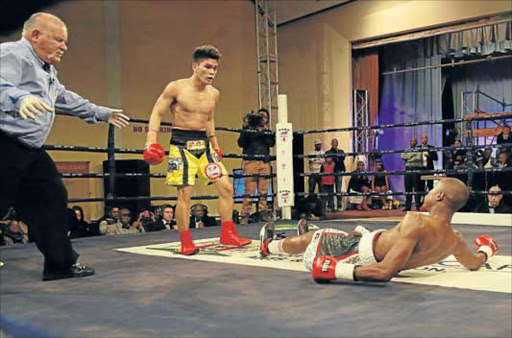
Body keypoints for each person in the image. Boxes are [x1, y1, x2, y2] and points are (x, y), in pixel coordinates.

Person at [0, 13, 130, 281]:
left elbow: (66, 99)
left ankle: (60, 264)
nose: (64, 46)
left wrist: (101, 112)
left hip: (29, 149)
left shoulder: (47, 71)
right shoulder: (13, 54)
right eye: (59, 39)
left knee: (52, 198)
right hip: (4, 143)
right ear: (35, 35)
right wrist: (19, 99)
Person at [259, 177, 499, 284]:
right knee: (348, 233)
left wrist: (336, 271)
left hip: (356, 252)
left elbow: (385, 272)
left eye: (432, 188)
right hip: (369, 241)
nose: (427, 192)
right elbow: (474, 263)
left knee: (313, 238)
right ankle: (299, 235)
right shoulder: (455, 240)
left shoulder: (416, 220)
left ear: (439, 195)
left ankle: (270, 246)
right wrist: (487, 250)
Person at [143, 45, 250, 255]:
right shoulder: (177, 88)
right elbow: (157, 112)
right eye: (207, 67)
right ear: (195, 66)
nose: (212, 72)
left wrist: (216, 145)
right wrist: (150, 140)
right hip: (181, 145)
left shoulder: (214, 94)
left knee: (226, 187)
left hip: (204, 145)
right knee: (185, 193)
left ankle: (228, 233)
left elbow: (209, 119)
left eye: (215, 68)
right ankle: (185, 240)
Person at [237, 108, 275, 224]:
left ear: (267, 120)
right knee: (249, 190)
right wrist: (245, 128)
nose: (262, 119)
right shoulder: (248, 130)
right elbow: (241, 143)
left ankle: (262, 213)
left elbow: (271, 143)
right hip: (251, 162)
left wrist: (264, 131)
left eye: (264, 117)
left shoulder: (267, 131)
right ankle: (245, 215)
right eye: (260, 117)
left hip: (264, 162)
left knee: (264, 191)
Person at [401, 137, 424, 211]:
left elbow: (418, 158)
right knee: (408, 188)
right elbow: (402, 156)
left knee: (417, 188)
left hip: (416, 169)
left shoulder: (419, 150)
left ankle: (418, 206)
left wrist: (409, 158)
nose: (412, 142)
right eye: (411, 141)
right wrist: (411, 156)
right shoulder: (407, 150)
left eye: (414, 141)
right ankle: (408, 206)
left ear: (416, 142)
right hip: (408, 169)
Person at [325, 138, 345, 210]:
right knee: (330, 189)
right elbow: (328, 160)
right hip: (330, 172)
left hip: (339, 171)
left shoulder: (341, 151)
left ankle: (339, 206)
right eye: (333, 143)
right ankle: (331, 206)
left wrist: (336, 154)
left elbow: (342, 158)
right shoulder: (328, 152)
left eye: (335, 143)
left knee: (338, 189)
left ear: (337, 144)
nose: (334, 144)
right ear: (331, 143)